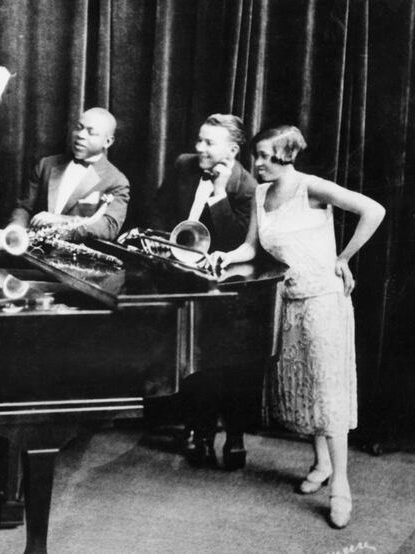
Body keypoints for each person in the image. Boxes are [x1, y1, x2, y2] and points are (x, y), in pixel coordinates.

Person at [214, 126, 385, 528]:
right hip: (289, 302)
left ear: (287, 155)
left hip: (325, 301)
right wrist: (223, 258)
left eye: (266, 156)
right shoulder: (259, 193)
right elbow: (251, 248)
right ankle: (321, 462)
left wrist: (343, 258)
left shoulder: (311, 187)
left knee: (328, 391)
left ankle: (341, 485)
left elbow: (373, 210)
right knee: (307, 387)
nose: (257, 163)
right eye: (256, 155)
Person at [148, 114, 258, 470]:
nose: (199, 149)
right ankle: (199, 432)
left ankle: (233, 438)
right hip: (181, 279)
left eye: (209, 143)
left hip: (227, 290)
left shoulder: (248, 187)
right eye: (199, 140)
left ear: (233, 149)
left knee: (226, 366)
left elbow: (237, 242)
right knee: (192, 363)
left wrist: (220, 193)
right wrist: (163, 246)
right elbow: (160, 211)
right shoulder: (184, 165)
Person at [10, 107, 130, 240]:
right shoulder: (47, 164)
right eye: (79, 127)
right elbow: (24, 207)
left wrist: (60, 220)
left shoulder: (116, 181)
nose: (81, 135)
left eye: (91, 132)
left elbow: (108, 227)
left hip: (75, 257)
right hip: (32, 248)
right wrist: (16, 230)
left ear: (107, 142)